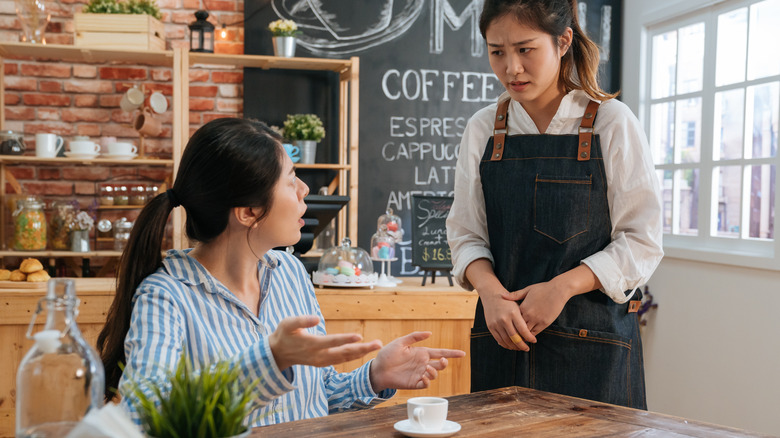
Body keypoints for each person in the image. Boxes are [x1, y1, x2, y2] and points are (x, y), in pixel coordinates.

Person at [97, 117, 465, 426]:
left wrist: (374, 376)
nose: (305, 189)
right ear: (249, 212)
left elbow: (315, 397)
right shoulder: (166, 295)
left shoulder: (289, 271)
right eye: (291, 178)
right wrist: (270, 360)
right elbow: (144, 416)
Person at [446, 0, 663, 409]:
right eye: (497, 52)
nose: (511, 68)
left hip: (592, 348)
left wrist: (561, 288)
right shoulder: (482, 128)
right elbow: (465, 233)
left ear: (563, 42)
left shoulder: (611, 122)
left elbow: (642, 240)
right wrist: (490, 294)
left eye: (525, 49)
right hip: (504, 342)